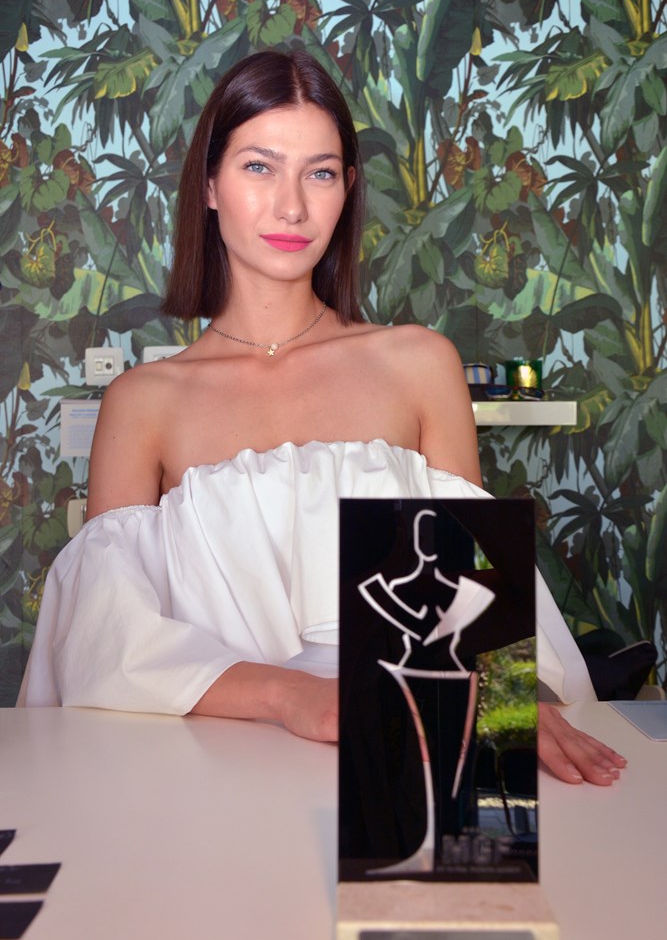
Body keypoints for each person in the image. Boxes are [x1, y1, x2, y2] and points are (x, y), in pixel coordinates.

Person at [18, 49, 625, 787]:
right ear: (208, 184)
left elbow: (470, 589)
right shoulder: (144, 400)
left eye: (321, 173)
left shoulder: (418, 363)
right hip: (215, 780)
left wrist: (511, 695)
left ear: (348, 189)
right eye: (259, 167)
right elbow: (108, 639)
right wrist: (293, 696)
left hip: (413, 765)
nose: (292, 208)